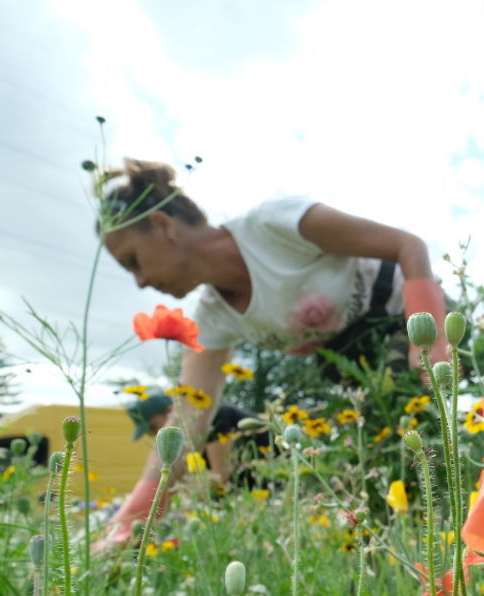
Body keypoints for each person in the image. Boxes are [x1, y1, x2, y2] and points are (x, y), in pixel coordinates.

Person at [95, 159, 450, 547]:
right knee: (370, 463)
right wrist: (133, 515)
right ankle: (400, 556)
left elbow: (407, 245)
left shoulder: (275, 225)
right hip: (351, 360)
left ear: (164, 226)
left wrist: (428, 341)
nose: (141, 282)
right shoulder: (212, 318)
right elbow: (188, 421)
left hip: (409, 314)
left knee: (418, 442)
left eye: (134, 261)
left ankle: (453, 539)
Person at [124, 390, 272, 488]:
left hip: (275, 482)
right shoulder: (190, 437)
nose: (155, 434)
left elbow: (221, 474)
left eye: (153, 427)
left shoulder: (214, 418)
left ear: (171, 412)